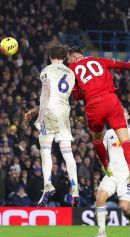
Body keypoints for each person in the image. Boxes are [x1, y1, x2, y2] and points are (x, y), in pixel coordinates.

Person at [67, 46, 130, 193]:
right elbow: (125, 65)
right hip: (111, 100)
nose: (68, 61)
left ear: (72, 56)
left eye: (68, 59)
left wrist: (77, 89)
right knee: (125, 141)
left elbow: (77, 96)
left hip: (94, 105)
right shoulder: (99, 60)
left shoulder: (71, 68)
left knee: (97, 140)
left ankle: (106, 167)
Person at [25, 43, 79, 207]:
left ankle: (47, 185)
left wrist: (40, 116)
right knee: (67, 152)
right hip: (64, 112)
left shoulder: (47, 70)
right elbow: (60, 95)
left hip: (49, 111)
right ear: (64, 58)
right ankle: (75, 189)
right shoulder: (71, 73)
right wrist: (36, 110)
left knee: (45, 150)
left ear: (50, 57)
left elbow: (47, 93)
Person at [93, 108, 130, 237]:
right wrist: (104, 165)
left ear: (128, 116)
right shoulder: (109, 133)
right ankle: (102, 232)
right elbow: (101, 152)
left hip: (126, 176)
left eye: (124, 112)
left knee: (124, 207)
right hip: (112, 174)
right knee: (99, 198)